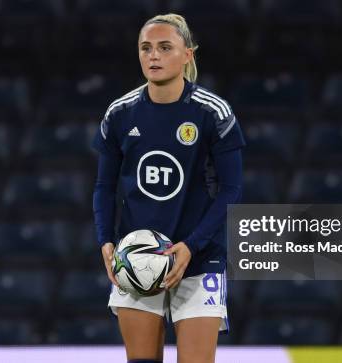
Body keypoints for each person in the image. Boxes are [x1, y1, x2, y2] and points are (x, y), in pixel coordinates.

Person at [92, 13, 245, 363]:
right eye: (146, 48)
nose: (153, 56)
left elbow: (232, 190)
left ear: (187, 55)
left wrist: (191, 246)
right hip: (138, 257)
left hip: (200, 257)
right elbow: (103, 186)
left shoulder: (213, 112)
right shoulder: (120, 113)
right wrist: (105, 240)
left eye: (164, 47)